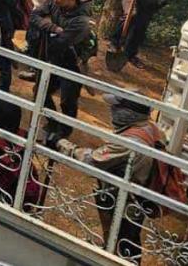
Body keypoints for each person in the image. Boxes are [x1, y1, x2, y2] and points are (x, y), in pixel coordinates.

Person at [56, 91, 179, 261]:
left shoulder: (129, 142)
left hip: (125, 200)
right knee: (128, 240)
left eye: (117, 107)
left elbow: (93, 159)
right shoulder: (151, 128)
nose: (112, 110)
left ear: (130, 113)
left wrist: (64, 145)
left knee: (123, 240)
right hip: (140, 196)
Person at [31, 0, 90, 142]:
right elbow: (34, 16)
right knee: (40, 93)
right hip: (53, 59)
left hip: (73, 64)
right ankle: (52, 122)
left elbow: (60, 43)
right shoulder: (53, 3)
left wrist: (49, 30)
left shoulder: (82, 22)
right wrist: (52, 27)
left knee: (67, 101)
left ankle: (64, 132)